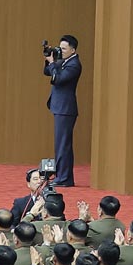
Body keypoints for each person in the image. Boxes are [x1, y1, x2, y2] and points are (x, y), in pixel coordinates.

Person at [45, 34, 81, 187]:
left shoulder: (74, 64)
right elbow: (48, 72)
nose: (61, 50)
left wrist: (53, 63)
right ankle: (62, 175)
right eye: (60, 47)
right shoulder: (64, 61)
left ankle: (64, 178)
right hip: (60, 107)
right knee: (60, 144)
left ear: (73, 50)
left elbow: (57, 79)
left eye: (64, 48)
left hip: (66, 109)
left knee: (63, 144)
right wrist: (49, 57)